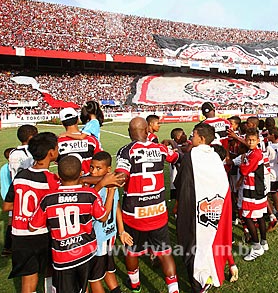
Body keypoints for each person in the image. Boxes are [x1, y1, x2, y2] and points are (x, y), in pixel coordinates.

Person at [29, 155, 116, 293]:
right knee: (84, 286)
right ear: (81, 173)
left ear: (58, 176)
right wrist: (111, 192)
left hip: (63, 257)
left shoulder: (48, 198)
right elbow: (104, 217)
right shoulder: (89, 195)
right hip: (87, 253)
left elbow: (32, 226)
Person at [115, 117, 180, 293]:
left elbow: (120, 178)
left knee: (132, 251)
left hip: (134, 214)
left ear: (130, 133)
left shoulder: (125, 151)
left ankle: (135, 285)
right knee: (165, 253)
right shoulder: (159, 149)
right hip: (158, 212)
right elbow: (174, 156)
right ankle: (173, 290)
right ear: (147, 131)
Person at [174, 123, 236, 292]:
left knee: (190, 244)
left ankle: (199, 282)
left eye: (193, 135)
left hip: (194, 207)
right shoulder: (215, 156)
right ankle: (206, 273)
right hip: (214, 206)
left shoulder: (191, 156)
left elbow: (182, 183)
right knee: (208, 242)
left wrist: (179, 203)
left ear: (201, 138)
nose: (190, 137)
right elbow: (223, 183)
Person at [3, 132, 60, 293]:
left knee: (28, 279)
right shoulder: (51, 180)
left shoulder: (20, 176)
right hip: (42, 233)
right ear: (51, 152)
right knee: (50, 270)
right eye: (57, 148)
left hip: (19, 235)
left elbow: (7, 206)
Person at [88, 151, 123, 293]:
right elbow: (117, 206)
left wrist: (122, 230)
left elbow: (112, 208)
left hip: (98, 237)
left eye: (98, 168)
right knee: (109, 271)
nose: (93, 171)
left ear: (108, 169)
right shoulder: (114, 184)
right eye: (91, 167)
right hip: (109, 235)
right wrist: (121, 230)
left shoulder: (96, 189)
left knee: (94, 279)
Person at [238, 128, 268, 261]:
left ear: (258, 140)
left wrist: (243, 162)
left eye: (253, 140)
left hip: (252, 189)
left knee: (247, 216)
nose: (250, 142)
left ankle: (256, 247)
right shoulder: (252, 152)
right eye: (248, 140)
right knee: (260, 216)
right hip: (257, 188)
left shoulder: (255, 154)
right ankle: (264, 242)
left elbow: (244, 170)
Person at [57, 107, 102, 175]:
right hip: (89, 183)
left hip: (67, 183)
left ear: (62, 123)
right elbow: (100, 159)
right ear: (78, 120)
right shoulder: (92, 140)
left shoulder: (57, 143)